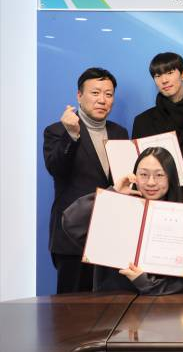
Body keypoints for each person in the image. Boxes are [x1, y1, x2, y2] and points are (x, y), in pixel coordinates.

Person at [62, 147, 183, 295]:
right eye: (143, 174)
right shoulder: (117, 207)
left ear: (171, 177)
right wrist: (112, 193)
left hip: (161, 303)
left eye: (159, 175)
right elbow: (71, 221)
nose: (151, 182)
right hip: (114, 299)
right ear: (135, 176)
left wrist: (145, 283)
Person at [43, 67, 128, 293]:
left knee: (109, 308)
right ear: (79, 96)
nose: (102, 100)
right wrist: (71, 134)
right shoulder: (56, 131)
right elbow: (56, 169)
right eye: (95, 93)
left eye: (108, 94)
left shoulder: (119, 132)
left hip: (110, 235)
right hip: (72, 236)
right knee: (72, 309)